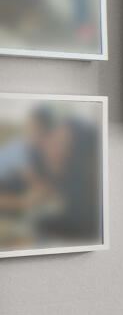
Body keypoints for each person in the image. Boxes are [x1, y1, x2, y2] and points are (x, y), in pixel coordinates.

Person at [0, 100, 101, 249]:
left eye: (58, 142)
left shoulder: (78, 196)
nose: (47, 144)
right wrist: (24, 201)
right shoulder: (29, 154)